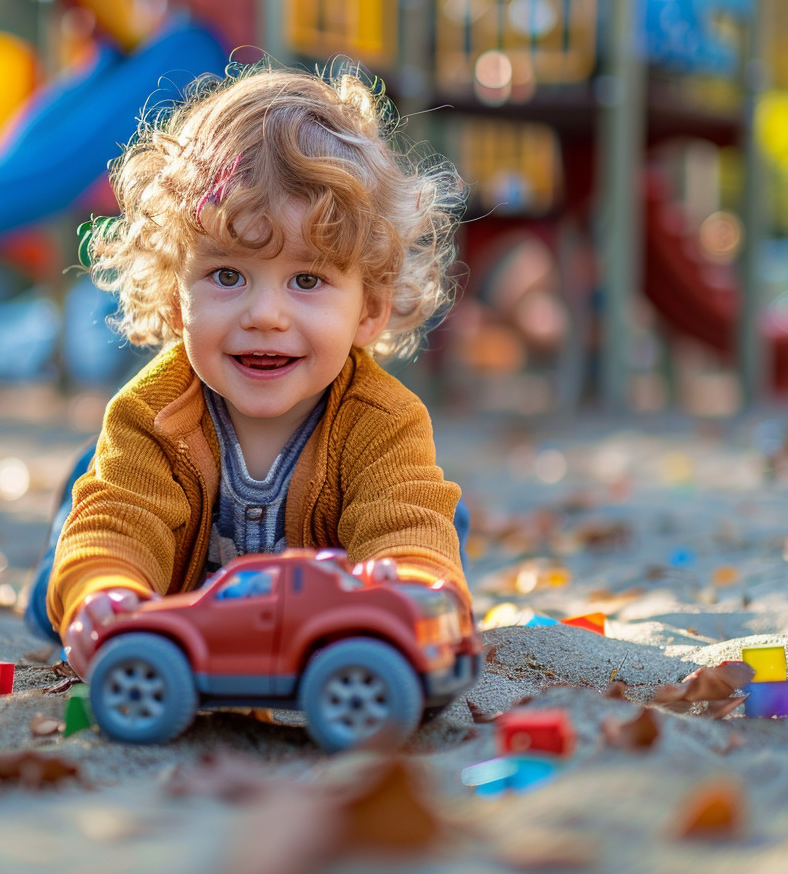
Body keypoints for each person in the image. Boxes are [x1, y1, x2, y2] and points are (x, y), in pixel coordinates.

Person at [24, 62, 471, 679]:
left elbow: (407, 524)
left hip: (301, 623)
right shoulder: (152, 413)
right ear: (178, 299)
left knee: (435, 519)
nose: (265, 314)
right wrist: (103, 591)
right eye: (227, 275)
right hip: (179, 603)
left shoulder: (383, 422)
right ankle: (72, 517)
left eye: (307, 280)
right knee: (71, 571)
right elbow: (119, 524)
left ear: (368, 309)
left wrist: (413, 580)